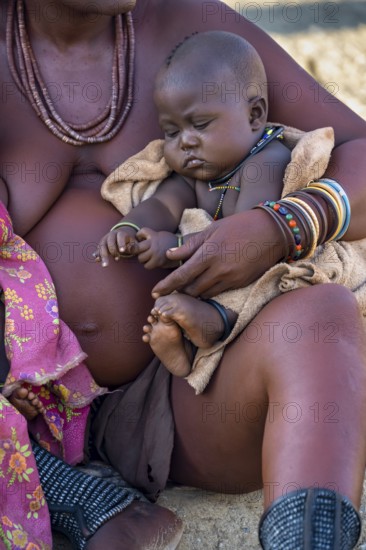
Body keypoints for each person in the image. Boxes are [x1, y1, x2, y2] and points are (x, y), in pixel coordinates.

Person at [0, 1, 366, 549]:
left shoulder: (187, 28)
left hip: (187, 392)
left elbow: (359, 149)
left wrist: (278, 227)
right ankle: (61, 489)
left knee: (322, 316)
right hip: (25, 411)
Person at [96, 31, 291, 378]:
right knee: (181, 299)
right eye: (171, 132)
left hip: (261, 268)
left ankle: (214, 322)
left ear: (255, 115)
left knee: (275, 285)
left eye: (200, 124)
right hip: (213, 277)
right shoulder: (196, 174)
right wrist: (129, 228)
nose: (185, 142)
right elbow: (164, 206)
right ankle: (186, 340)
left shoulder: (266, 160)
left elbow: (246, 235)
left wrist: (174, 246)